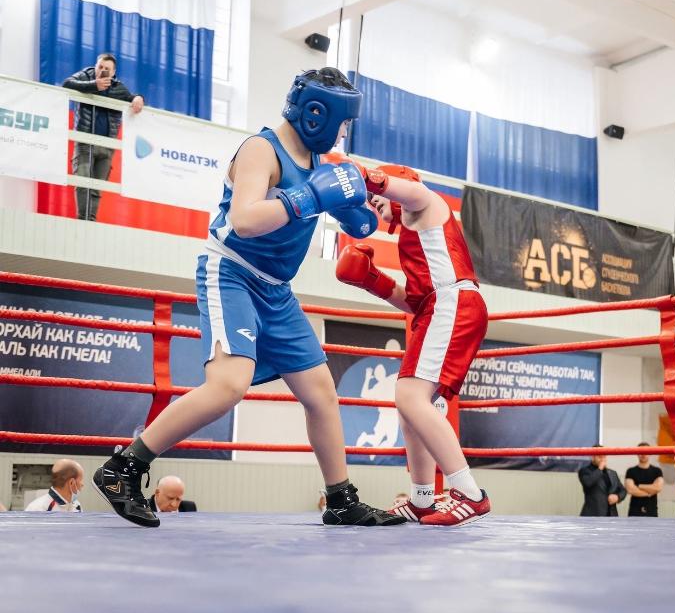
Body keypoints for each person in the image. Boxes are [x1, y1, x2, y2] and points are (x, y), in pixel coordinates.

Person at [93, 67, 405, 528]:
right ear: (318, 114)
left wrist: (356, 213)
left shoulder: (319, 163)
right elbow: (244, 219)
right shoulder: (262, 149)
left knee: (321, 392)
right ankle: (124, 467)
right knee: (228, 386)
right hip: (232, 272)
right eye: (341, 124)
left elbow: (334, 211)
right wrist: (308, 198)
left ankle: (340, 499)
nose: (342, 133)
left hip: (276, 291)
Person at [335, 163, 490, 527]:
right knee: (409, 406)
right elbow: (412, 302)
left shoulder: (426, 205)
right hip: (434, 308)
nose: (375, 203)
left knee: (409, 397)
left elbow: (414, 191)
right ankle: (422, 499)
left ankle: (469, 492)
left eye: (377, 198)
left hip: (453, 303)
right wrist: (373, 280)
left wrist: (373, 179)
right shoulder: (411, 235)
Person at [62, 53, 144, 221]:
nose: (103, 71)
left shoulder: (118, 87)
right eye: (100, 67)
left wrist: (138, 98)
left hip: (106, 147)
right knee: (82, 182)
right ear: (95, 66)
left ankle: (89, 221)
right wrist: (94, 85)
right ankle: (83, 221)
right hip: (85, 142)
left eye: (107, 69)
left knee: (97, 188)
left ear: (114, 72)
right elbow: (67, 83)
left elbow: (132, 98)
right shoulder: (86, 76)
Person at [578, 445, 627, 516]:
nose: (602, 457)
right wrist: (600, 468)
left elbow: (623, 490)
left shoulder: (612, 473)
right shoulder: (584, 471)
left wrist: (617, 497)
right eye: (599, 454)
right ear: (592, 456)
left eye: (604, 454)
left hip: (611, 515)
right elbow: (588, 483)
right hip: (593, 515)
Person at [625, 442, 664, 517]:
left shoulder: (657, 471)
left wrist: (638, 486)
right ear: (637, 453)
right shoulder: (631, 471)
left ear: (650, 453)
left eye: (646, 452)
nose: (643, 454)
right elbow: (630, 490)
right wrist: (649, 492)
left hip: (651, 510)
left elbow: (658, 488)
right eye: (640, 452)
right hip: (634, 511)